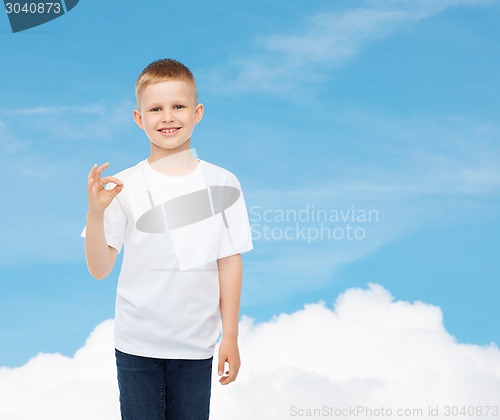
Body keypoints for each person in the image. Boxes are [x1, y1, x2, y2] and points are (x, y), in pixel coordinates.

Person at [81, 58, 253, 420]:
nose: (168, 117)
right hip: (136, 345)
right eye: (156, 109)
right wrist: (96, 214)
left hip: (195, 346)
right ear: (139, 118)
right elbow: (99, 269)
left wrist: (231, 337)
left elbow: (229, 261)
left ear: (198, 112)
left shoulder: (223, 184)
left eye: (178, 106)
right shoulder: (123, 187)